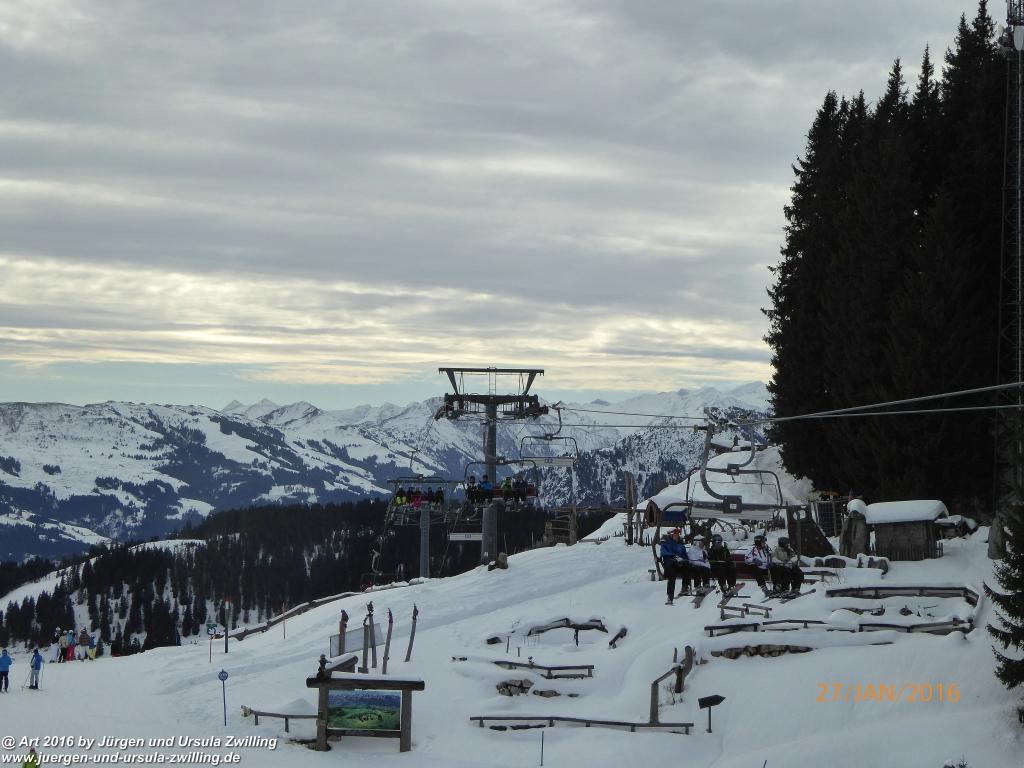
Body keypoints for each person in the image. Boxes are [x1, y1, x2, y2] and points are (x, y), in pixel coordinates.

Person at [659, 528, 691, 604]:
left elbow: (684, 555)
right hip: (670, 564)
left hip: (679, 564)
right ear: (671, 535)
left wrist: (686, 560)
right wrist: (672, 556)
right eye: (675, 534)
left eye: (678, 534)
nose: (677, 536)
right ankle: (670, 596)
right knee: (672, 576)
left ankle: (685, 587)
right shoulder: (666, 543)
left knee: (687, 566)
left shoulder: (680, 544)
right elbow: (663, 552)